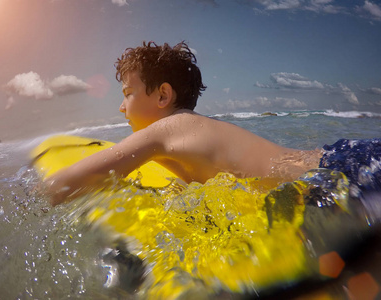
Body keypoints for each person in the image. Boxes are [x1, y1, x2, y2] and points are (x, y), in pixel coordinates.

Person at [44, 41, 321, 206]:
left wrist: (31, 195)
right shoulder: (192, 132)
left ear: (163, 95)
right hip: (330, 166)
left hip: (323, 183)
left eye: (128, 94)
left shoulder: (167, 130)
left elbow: (69, 182)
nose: (121, 107)